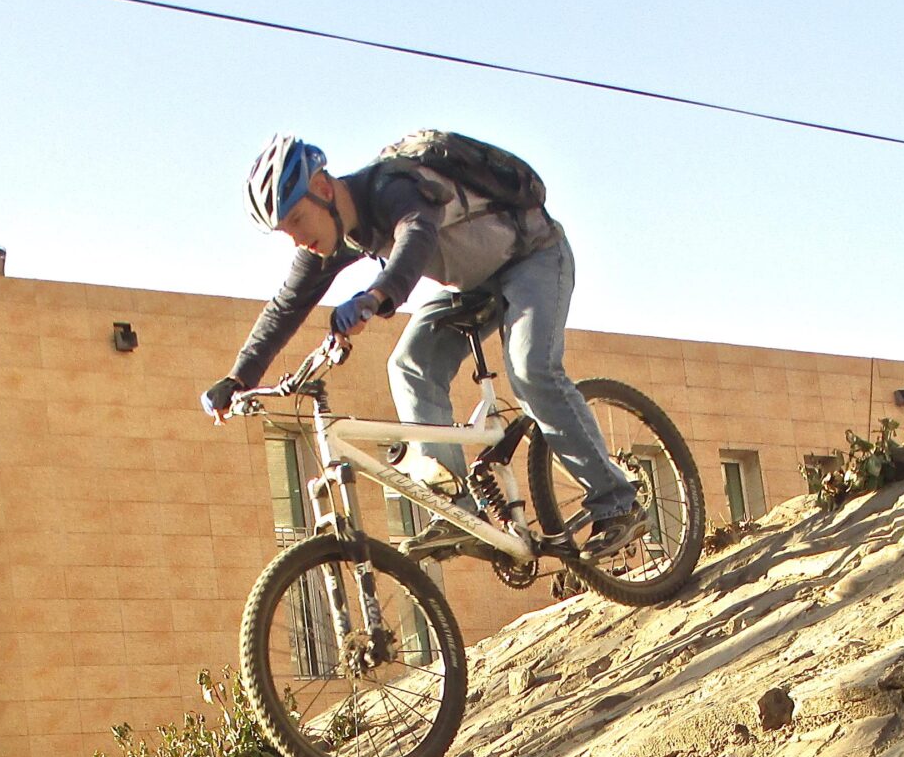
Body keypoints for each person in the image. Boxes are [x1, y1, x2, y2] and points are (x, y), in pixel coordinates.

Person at [200, 133, 641, 548]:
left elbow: (416, 234)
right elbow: (285, 307)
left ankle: (618, 502)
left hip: (534, 256)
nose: (297, 238)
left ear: (323, 188)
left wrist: (377, 294)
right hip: (471, 284)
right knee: (410, 365)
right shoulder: (329, 240)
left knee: (530, 370)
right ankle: (458, 513)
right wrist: (237, 378)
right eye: (285, 232)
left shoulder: (393, 186)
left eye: (296, 219)